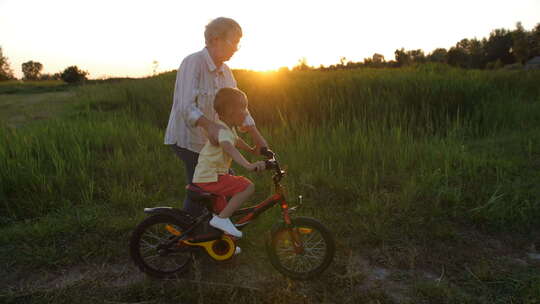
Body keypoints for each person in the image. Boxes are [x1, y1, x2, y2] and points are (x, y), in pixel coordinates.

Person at [164, 17, 268, 218]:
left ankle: (215, 236)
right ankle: (187, 239)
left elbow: (239, 107)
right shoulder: (193, 63)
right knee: (204, 189)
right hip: (188, 140)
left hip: (212, 143)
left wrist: (256, 135)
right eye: (233, 42)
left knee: (218, 188)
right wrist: (210, 126)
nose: (236, 48)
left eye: (239, 43)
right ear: (215, 40)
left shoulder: (226, 72)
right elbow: (186, 106)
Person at [192, 88, 265, 238]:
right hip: (211, 176)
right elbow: (229, 147)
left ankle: (225, 244)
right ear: (231, 111)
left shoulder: (228, 129)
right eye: (243, 108)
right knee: (247, 187)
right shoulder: (222, 131)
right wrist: (248, 165)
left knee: (223, 211)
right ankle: (221, 220)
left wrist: (252, 143)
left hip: (211, 176)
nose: (246, 113)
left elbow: (243, 145)